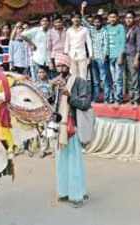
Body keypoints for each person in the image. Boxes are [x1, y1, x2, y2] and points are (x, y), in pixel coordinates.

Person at [51, 53, 90, 208]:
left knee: (74, 161)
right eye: (58, 66)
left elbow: (85, 103)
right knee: (61, 160)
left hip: (72, 126)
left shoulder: (79, 82)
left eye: (63, 66)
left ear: (68, 67)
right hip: (60, 126)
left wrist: (69, 95)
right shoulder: (57, 83)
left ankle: (77, 195)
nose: (60, 69)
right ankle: (64, 192)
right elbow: (53, 104)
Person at [81, 2, 110, 103]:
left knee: (105, 79)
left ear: (101, 22)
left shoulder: (104, 31)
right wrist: (82, 8)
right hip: (93, 58)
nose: (97, 23)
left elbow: (106, 44)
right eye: (95, 22)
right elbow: (83, 20)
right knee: (96, 80)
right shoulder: (91, 29)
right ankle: (96, 98)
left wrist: (105, 55)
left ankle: (107, 98)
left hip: (101, 58)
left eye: (98, 22)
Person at [105, 10, 126, 104]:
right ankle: (113, 97)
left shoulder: (120, 27)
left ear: (117, 18)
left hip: (118, 57)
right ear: (108, 19)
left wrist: (121, 56)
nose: (112, 19)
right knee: (112, 79)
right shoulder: (106, 28)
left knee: (118, 79)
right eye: (110, 17)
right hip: (109, 57)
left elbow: (123, 42)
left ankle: (119, 99)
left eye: (114, 17)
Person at [21, 16, 50, 81]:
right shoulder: (36, 30)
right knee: (37, 80)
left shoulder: (50, 32)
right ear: (40, 22)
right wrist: (31, 43)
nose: (45, 22)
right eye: (43, 21)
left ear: (49, 22)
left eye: (46, 21)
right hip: (37, 58)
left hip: (48, 60)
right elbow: (22, 35)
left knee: (48, 80)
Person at [64, 12, 93, 80]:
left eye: (78, 17)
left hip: (82, 55)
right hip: (71, 55)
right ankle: (75, 90)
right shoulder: (69, 30)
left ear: (80, 19)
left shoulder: (85, 29)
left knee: (83, 75)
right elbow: (67, 43)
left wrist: (91, 55)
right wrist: (66, 53)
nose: (76, 19)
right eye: (74, 17)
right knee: (73, 75)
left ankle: (83, 90)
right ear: (71, 19)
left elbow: (89, 42)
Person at [124, 10, 140, 106]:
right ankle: (131, 98)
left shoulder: (137, 29)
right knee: (129, 78)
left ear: (134, 19)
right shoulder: (124, 29)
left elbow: (139, 44)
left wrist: (136, 58)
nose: (128, 20)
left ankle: (136, 99)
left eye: (130, 18)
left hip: (133, 56)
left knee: (135, 78)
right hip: (125, 56)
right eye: (127, 18)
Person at [47, 15, 67, 79]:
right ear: (53, 23)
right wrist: (50, 62)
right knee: (56, 77)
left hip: (65, 56)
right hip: (55, 57)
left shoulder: (67, 30)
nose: (58, 24)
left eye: (59, 22)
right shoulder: (50, 32)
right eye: (56, 22)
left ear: (62, 22)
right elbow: (48, 48)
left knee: (66, 76)